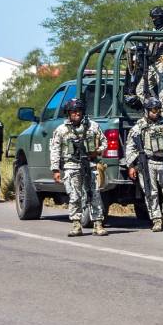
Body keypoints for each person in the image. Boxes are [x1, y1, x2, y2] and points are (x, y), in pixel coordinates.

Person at [50, 98, 106, 237]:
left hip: (90, 164)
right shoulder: (61, 130)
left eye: (79, 111)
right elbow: (55, 150)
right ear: (68, 113)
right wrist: (55, 169)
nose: (77, 114)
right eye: (73, 111)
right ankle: (76, 224)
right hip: (71, 165)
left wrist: (97, 151)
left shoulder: (93, 126)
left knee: (95, 194)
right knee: (75, 196)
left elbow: (104, 142)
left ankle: (98, 224)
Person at [125, 97, 163, 232]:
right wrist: (131, 165)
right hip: (148, 162)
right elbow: (130, 147)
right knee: (150, 192)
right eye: (152, 110)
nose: (155, 112)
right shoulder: (139, 126)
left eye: (157, 109)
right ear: (146, 111)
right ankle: (156, 220)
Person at [133, 6, 163, 113]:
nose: (153, 20)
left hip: (162, 63)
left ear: (162, 17)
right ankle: (154, 109)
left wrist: (152, 39)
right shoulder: (154, 31)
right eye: (152, 17)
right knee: (140, 90)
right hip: (152, 64)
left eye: (155, 17)